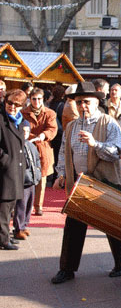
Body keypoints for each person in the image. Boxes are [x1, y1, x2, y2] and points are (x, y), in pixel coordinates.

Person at [51, 82, 121, 284]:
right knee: (74, 225)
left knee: (111, 224)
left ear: (96, 102)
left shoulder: (108, 123)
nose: (82, 106)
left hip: (103, 183)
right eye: (78, 103)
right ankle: (67, 269)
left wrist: (95, 144)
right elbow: (63, 152)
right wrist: (61, 174)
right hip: (80, 183)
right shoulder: (71, 126)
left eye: (86, 102)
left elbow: (117, 152)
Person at [22, 88, 58, 216]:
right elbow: (21, 129)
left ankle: (38, 206)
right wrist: (32, 137)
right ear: (30, 99)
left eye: (39, 99)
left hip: (44, 148)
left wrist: (43, 135)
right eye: (34, 99)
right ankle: (26, 205)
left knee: (41, 178)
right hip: (27, 147)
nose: (36, 101)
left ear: (43, 99)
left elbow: (53, 129)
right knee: (26, 177)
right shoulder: (23, 113)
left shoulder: (50, 113)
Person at [0, 89, 27, 250]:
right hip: (5, 170)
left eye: (17, 105)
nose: (12, 107)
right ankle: (3, 239)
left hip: (15, 170)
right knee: (3, 208)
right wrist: (6, 161)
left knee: (9, 207)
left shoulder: (19, 120)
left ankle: (5, 235)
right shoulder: (2, 119)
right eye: (10, 103)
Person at [13, 120, 41, 240]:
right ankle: (18, 228)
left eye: (27, 131)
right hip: (22, 181)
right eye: (23, 131)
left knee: (29, 204)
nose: (25, 133)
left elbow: (37, 161)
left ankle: (24, 225)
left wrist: (38, 173)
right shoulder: (16, 145)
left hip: (32, 180)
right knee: (21, 205)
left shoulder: (31, 145)